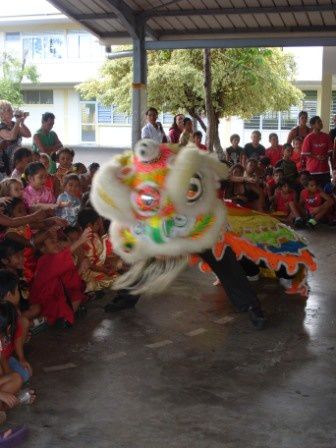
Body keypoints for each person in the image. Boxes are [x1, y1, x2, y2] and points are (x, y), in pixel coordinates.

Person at [29, 228, 91, 328]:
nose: (57, 244)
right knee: (58, 308)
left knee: (77, 294)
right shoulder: (44, 260)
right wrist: (80, 241)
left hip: (58, 295)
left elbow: (68, 282)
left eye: (57, 241)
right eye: (52, 242)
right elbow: (61, 258)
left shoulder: (54, 258)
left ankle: (62, 316)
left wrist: (80, 270)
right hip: (45, 300)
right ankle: (49, 320)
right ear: (43, 248)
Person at [0, 270, 32, 385]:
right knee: (17, 378)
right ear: (9, 294)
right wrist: (9, 375)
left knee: (25, 374)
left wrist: (21, 358)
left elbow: (18, 335)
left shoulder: (13, 312)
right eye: (17, 290)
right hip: (2, 357)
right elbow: (1, 355)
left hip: (6, 356)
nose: (19, 293)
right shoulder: (3, 316)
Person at [77, 208, 120, 292]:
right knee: (114, 279)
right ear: (89, 225)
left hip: (100, 267)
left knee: (117, 273)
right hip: (91, 271)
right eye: (97, 223)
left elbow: (101, 256)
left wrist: (106, 265)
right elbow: (90, 264)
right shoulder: (85, 241)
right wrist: (103, 269)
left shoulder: (95, 235)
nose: (99, 225)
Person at [301, 116, 334, 188]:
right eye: (318, 122)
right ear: (313, 125)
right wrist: (316, 156)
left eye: (321, 122)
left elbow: (330, 151)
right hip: (312, 170)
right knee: (314, 191)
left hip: (325, 170)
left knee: (327, 190)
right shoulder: (308, 138)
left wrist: (326, 156)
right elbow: (305, 153)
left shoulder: (326, 136)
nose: (321, 123)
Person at [0, 101, 31, 177]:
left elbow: (28, 134)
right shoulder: (1, 127)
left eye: (11, 109)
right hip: (6, 159)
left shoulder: (14, 124)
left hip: (19, 157)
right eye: (8, 110)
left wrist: (22, 123)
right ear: (1, 114)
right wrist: (17, 122)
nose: (12, 112)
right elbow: (12, 137)